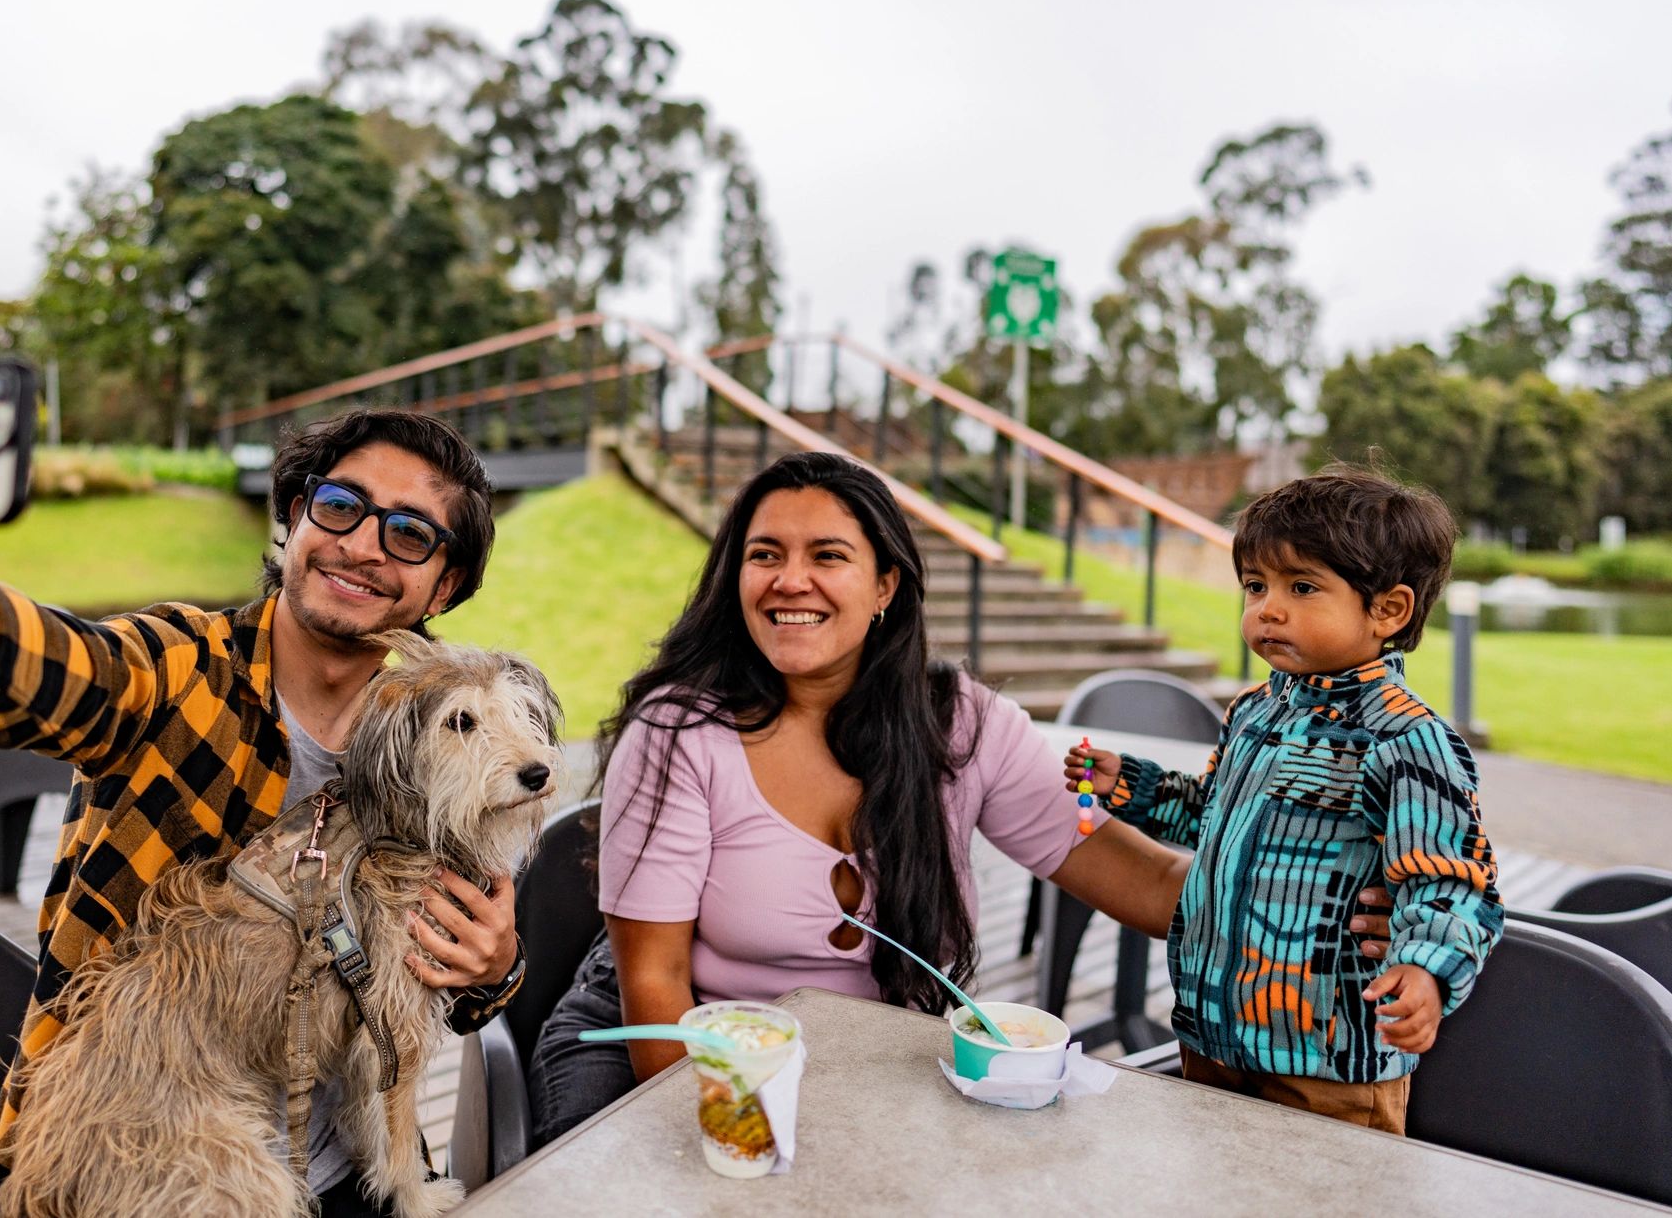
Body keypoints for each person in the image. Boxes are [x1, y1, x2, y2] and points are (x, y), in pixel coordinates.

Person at [0, 358, 527, 1217]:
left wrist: (495, 965)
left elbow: (445, 975)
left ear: (444, 583)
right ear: (294, 519)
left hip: (345, 1174)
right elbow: (51, 671)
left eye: (409, 534)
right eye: (340, 507)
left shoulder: (445, 736)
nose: (364, 544)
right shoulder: (180, 669)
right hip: (140, 1157)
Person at [526, 452, 1396, 1144]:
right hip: (672, 1045)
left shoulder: (960, 724)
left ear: (884, 588)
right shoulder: (678, 732)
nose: (790, 581)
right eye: (765, 556)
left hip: (867, 1064)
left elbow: (1150, 887)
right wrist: (748, 1141)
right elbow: (653, 984)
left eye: (827, 556)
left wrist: (1329, 903)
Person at [1065, 465, 1502, 1133]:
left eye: (1301, 587)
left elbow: (1449, 881)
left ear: (1387, 610)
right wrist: (1127, 783)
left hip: (1325, 1063)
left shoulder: (1406, 740)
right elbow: (1208, 812)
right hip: (1212, 1035)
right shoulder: (1252, 713)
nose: (1267, 608)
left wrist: (1424, 968)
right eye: (1254, 586)